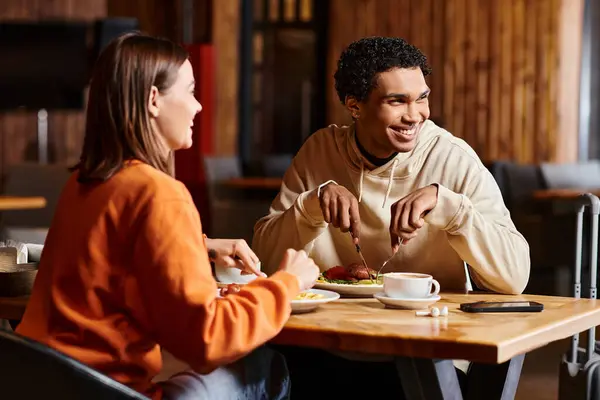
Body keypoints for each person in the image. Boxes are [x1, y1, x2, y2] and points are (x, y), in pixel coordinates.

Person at [16, 32, 319, 400]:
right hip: (113, 391)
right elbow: (207, 341)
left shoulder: (83, 183)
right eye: (190, 91)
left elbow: (113, 252)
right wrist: (288, 283)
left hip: (39, 382)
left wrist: (200, 245)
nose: (198, 107)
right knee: (266, 367)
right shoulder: (160, 193)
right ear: (153, 100)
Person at [253, 36, 531, 398]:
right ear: (354, 106)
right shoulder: (319, 151)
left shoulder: (453, 158)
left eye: (422, 98)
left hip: (424, 350)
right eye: (397, 101)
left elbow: (515, 278)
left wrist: (451, 209)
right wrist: (310, 206)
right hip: (329, 344)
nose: (415, 115)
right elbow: (266, 258)